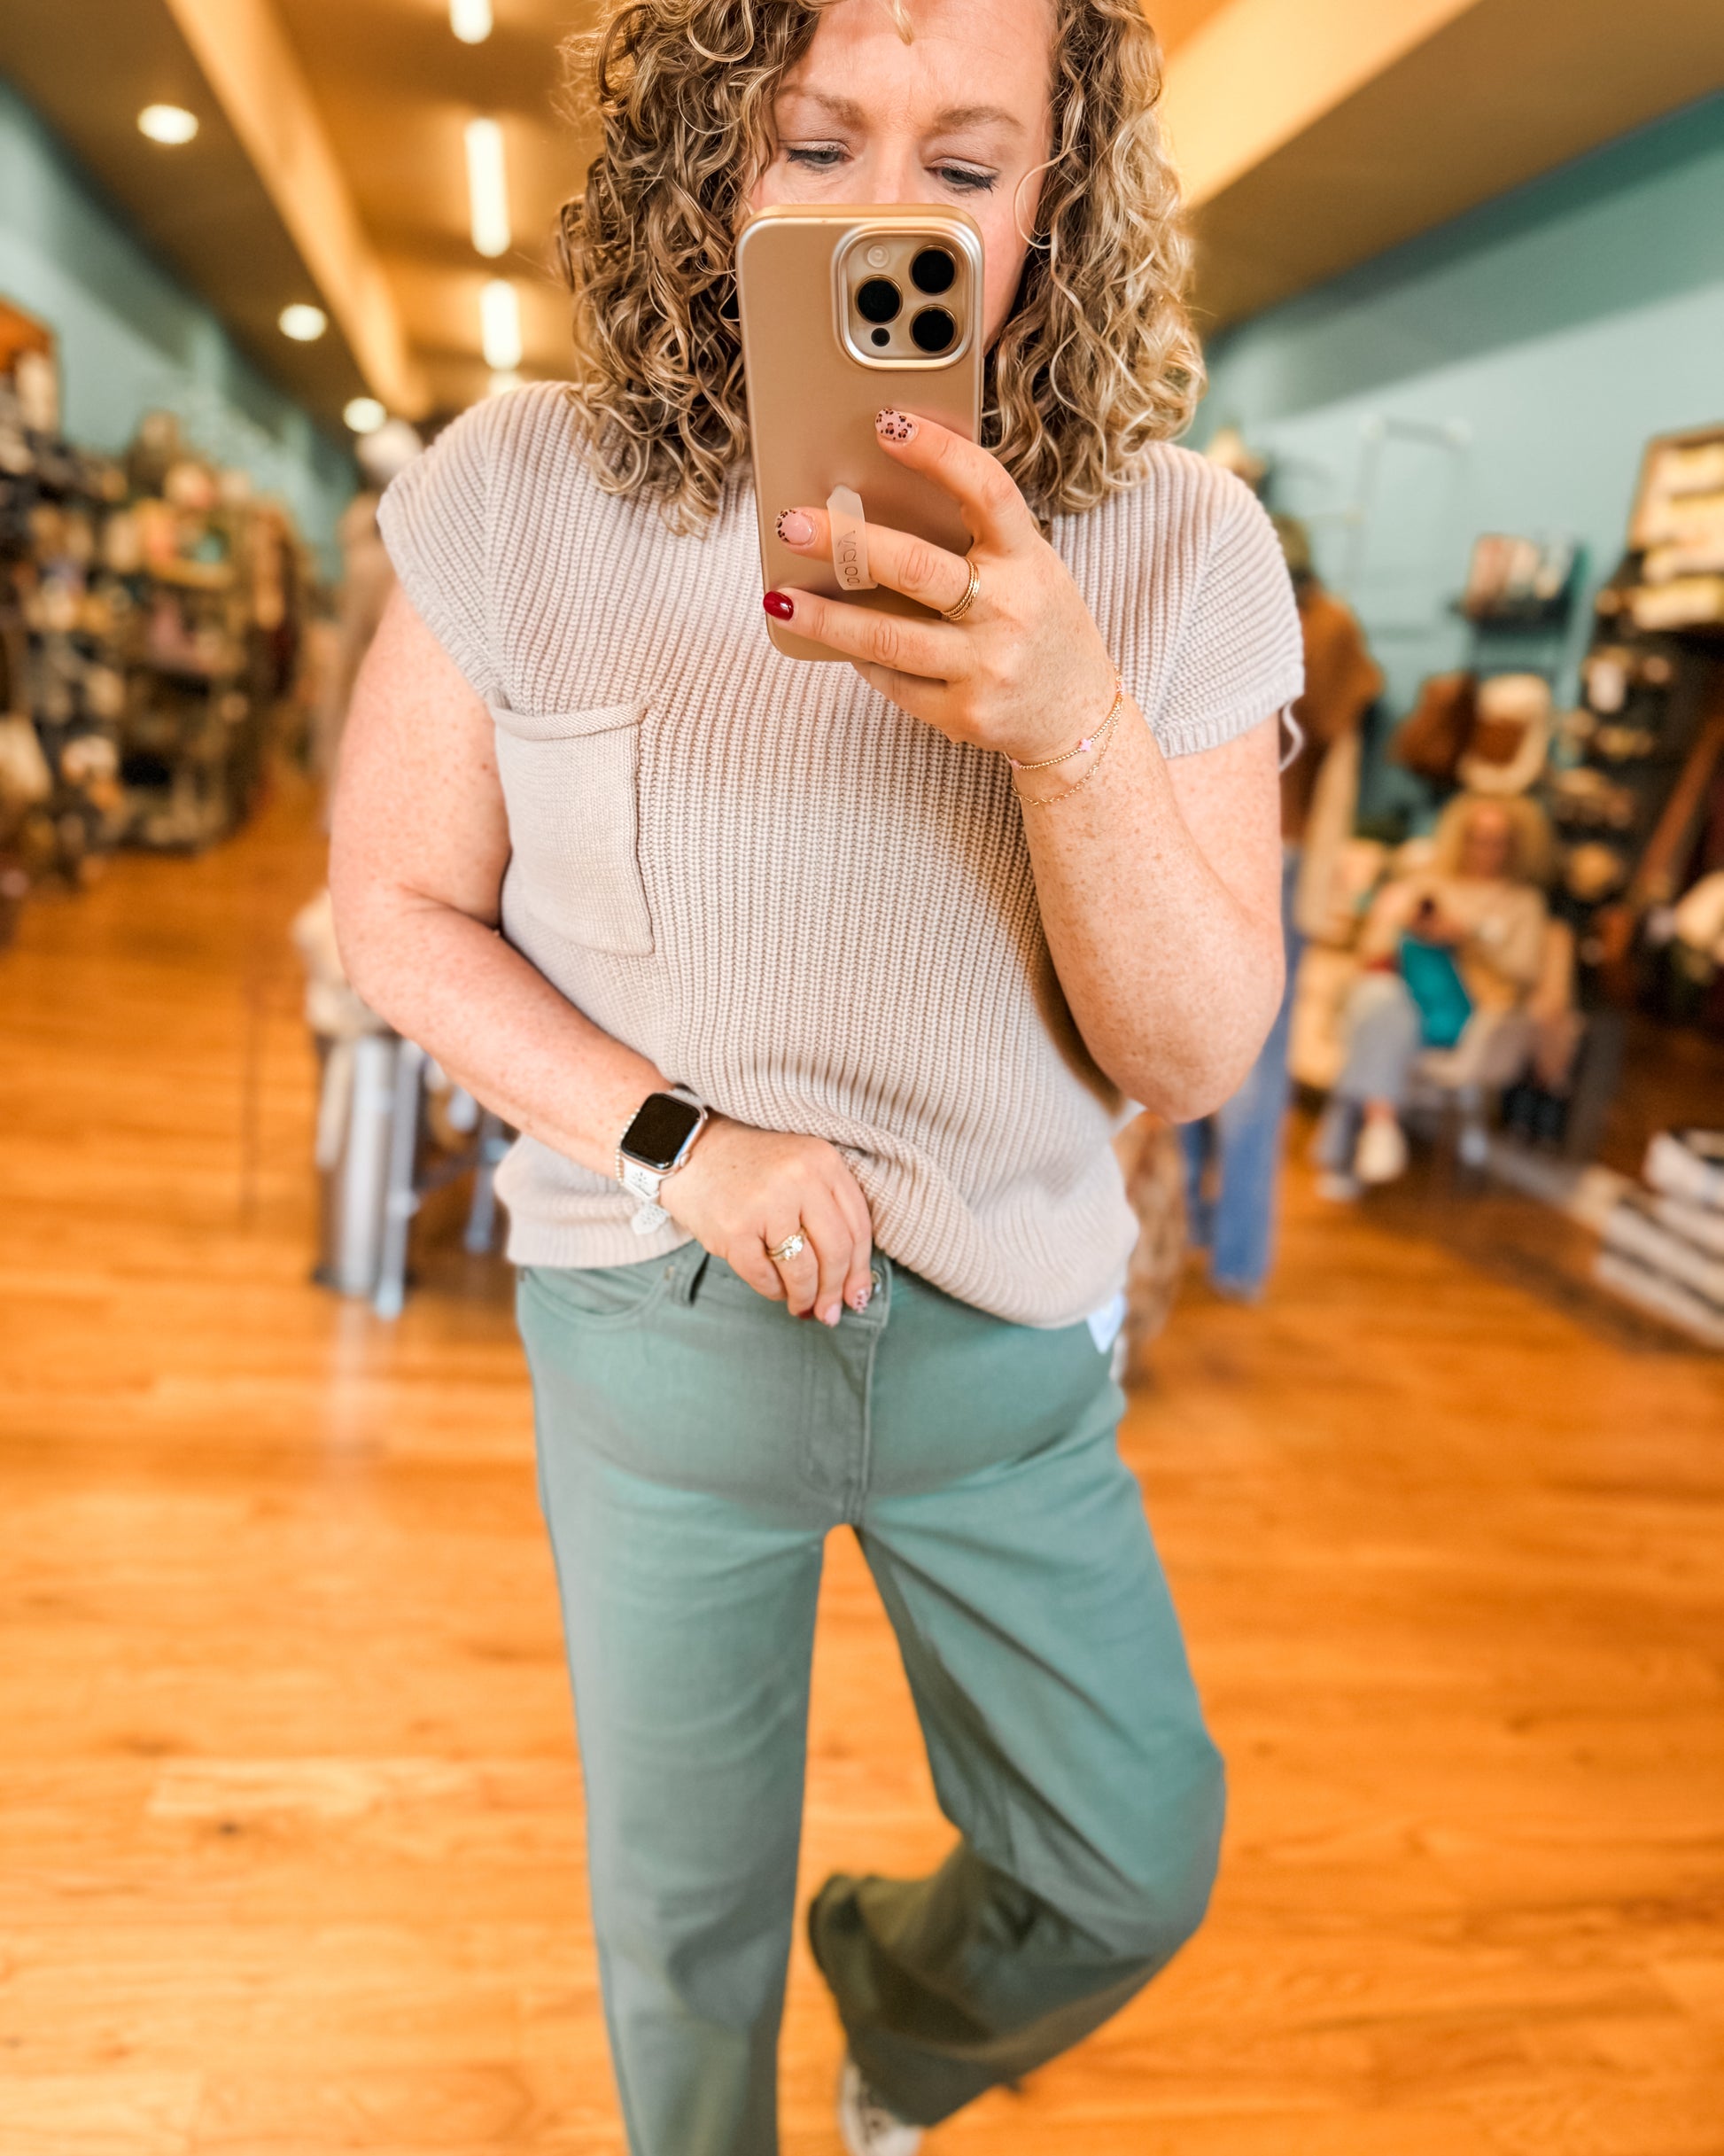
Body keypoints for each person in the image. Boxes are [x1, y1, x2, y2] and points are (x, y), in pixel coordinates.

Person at [328, 1, 1301, 2149]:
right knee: (684, 1943)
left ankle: (898, 2002)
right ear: (705, 154)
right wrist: (678, 1133)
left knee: (1130, 1854)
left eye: (966, 166)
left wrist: (1069, 725)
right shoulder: (522, 485)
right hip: (656, 1333)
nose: (888, 218)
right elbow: (397, 907)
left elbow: (1198, 1044)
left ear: (1058, 195)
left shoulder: (1176, 547)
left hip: (1012, 1356)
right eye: (811, 142)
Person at [1180, 512, 1380, 1297]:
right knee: (1192, 1044)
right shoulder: (1247, 607)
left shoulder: (1324, 627)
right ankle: (1201, 1236)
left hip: (1277, 850)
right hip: (1220, 839)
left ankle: (1236, 1253)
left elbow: (1330, 733)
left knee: (1251, 1061)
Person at [1314, 792, 1554, 1195]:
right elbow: (1373, 951)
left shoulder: (1523, 903)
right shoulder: (1424, 885)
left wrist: (1467, 938)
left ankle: (1347, 1150)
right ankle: (1380, 1124)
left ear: (1514, 846)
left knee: (1374, 1014)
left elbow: (1526, 971)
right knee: (1379, 1000)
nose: (1485, 850)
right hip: (1403, 998)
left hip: (1465, 1013)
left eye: (1497, 840)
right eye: (1477, 837)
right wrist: (1402, 922)